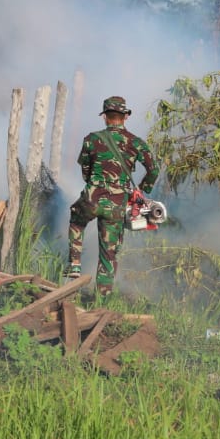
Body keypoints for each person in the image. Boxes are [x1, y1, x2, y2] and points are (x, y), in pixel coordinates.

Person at [67, 95, 159, 298]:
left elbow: (85, 171)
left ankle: (74, 264)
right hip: (117, 204)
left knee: (77, 220)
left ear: (105, 117)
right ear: (125, 117)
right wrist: (142, 189)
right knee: (108, 254)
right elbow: (154, 169)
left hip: (92, 198)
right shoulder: (136, 142)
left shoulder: (91, 139)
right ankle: (103, 298)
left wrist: (95, 183)